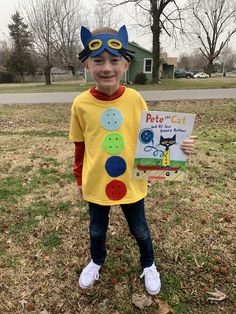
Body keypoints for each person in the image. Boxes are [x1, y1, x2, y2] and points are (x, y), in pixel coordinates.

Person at [69, 25, 196, 295]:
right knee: (96, 231)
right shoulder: (80, 104)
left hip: (131, 182)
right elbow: (79, 146)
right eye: (98, 61)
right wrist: (80, 178)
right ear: (86, 65)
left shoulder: (135, 99)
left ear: (125, 64)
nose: (106, 68)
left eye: (114, 60)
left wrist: (180, 149)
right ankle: (96, 260)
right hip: (97, 183)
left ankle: (148, 264)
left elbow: (153, 137)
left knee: (139, 228)